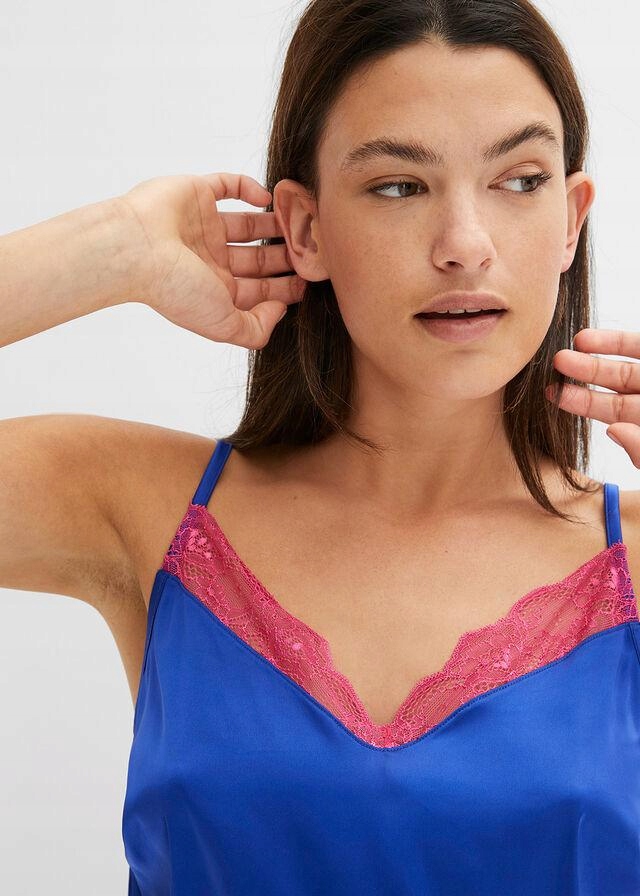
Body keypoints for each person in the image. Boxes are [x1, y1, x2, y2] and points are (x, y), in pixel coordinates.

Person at [2, 0, 640, 892]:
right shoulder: (150, 510)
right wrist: (115, 249)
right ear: (304, 230)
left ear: (571, 219)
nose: (465, 246)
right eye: (399, 186)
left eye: (520, 179)